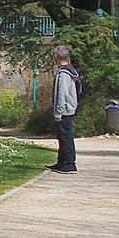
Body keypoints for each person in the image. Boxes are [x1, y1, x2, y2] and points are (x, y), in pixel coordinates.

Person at [49, 45, 79, 173]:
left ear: (57, 57)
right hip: (66, 109)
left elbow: (62, 94)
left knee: (66, 136)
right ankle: (61, 161)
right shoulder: (68, 71)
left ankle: (69, 163)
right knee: (61, 136)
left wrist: (58, 112)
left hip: (65, 110)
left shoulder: (64, 73)